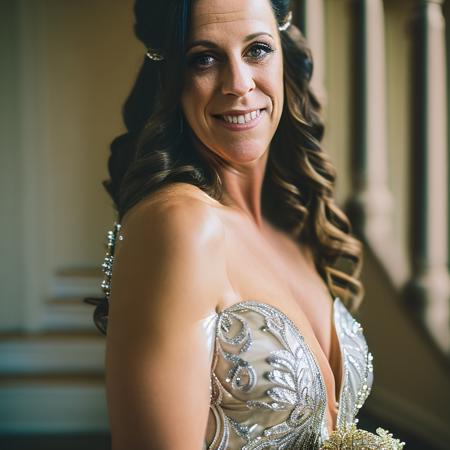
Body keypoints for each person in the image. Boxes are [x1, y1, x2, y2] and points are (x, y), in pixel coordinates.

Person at [86, 0, 406, 448]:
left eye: (256, 50)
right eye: (204, 58)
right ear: (172, 78)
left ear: (282, 56)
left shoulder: (293, 220)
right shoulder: (180, 227)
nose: (238, 84)